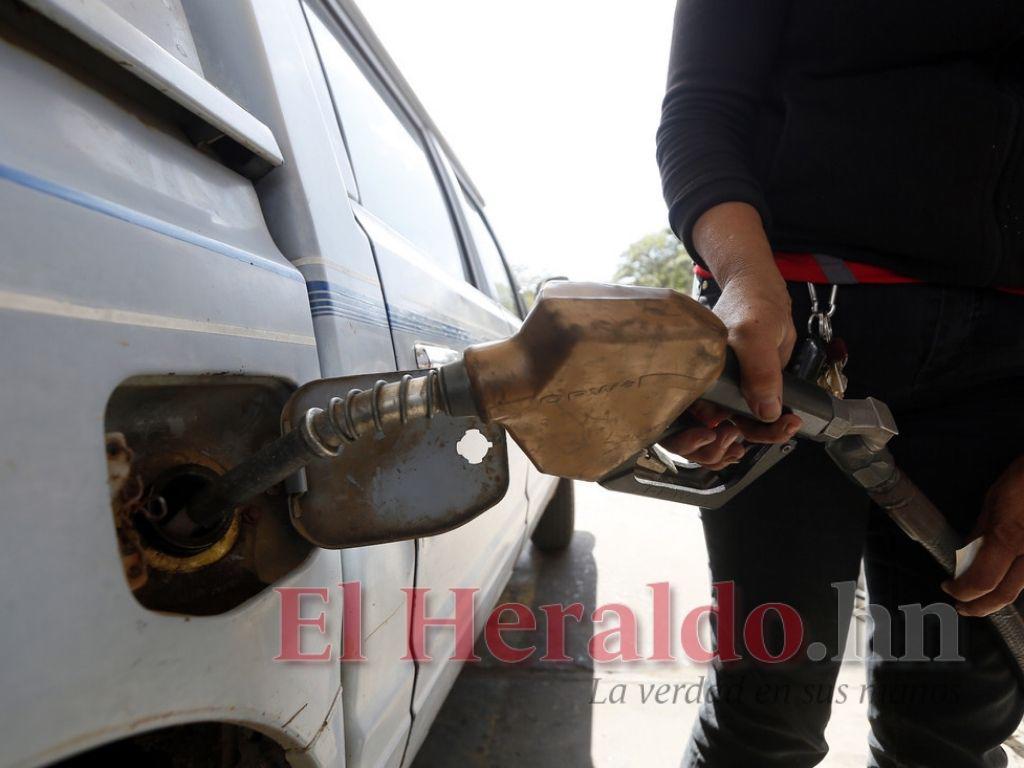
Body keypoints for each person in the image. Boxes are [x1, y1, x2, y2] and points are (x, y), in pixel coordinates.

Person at [656, 2, 1024, 766]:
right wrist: (744, 282)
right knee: (766, 718)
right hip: (790, 339)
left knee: (955, 728)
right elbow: (703, 107)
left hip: (1005, 376)